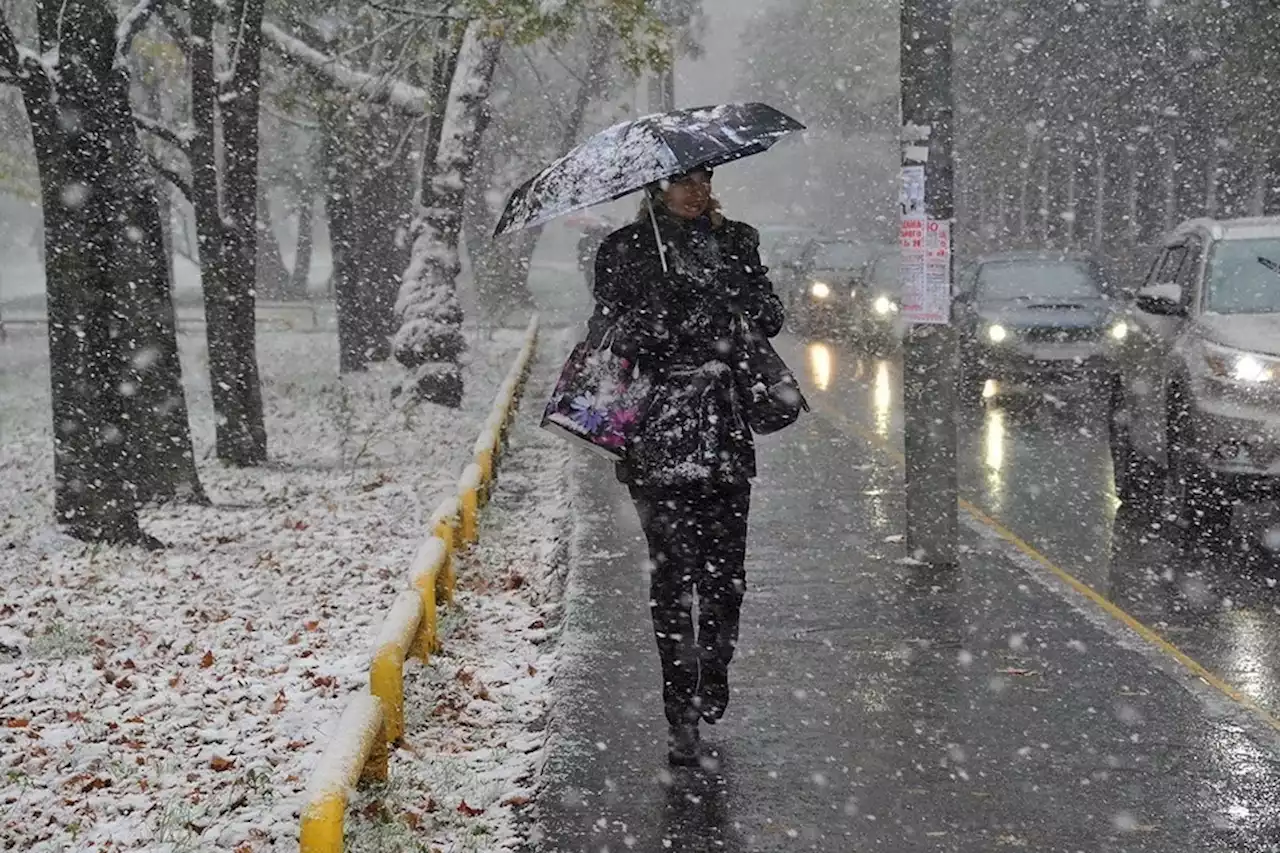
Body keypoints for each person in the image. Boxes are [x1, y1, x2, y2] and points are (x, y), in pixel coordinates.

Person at [588, 168, 784, 766]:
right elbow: (606, 335)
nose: (696, 191)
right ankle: (680, 708)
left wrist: (737, 300)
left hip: (723, 430)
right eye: (682, 182)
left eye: (704, 179)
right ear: (657, 189)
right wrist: (659, 318)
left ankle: (715, 667)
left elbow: (771, 316)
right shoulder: (623, 250)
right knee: (672, 580)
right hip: (656, 433)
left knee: (726, 576)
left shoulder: (737, 241)